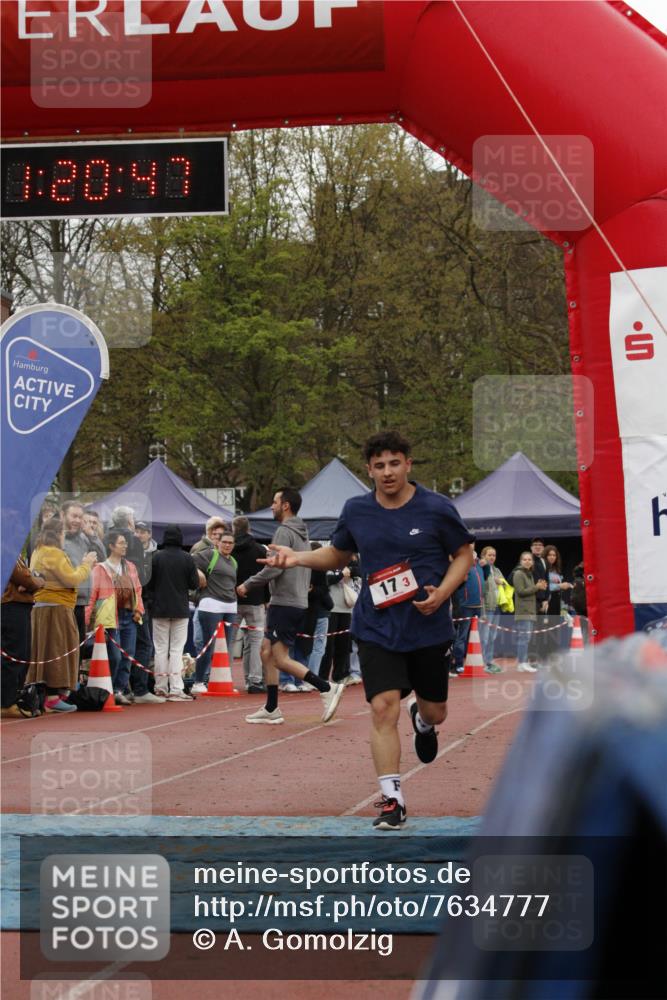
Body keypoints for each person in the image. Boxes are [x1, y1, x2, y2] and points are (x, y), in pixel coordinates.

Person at [260, 432, 474, 830]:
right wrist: (296, 558)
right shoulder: (357, 510)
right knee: (381, 707)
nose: (388, 472)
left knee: (436, 710)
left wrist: (444, 592)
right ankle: (392, 799)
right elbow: (337, 554)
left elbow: (464, 554)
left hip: (428, 627)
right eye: (379, 466)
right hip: (376, 625)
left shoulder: (437, 508)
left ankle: (423, 722)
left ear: (408, 464)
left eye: (395, 463)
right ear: (369, 470)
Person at [237, 487, 345, 726]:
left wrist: (248, 584)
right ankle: (272, 707)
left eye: (274, 502)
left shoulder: (284, 532)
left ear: (285, 505)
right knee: (266, 652)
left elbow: (275, 566)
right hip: (291, 601)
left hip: (285, 602)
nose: (272, 506)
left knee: (280, 657)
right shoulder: (302, 532)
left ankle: (326, 687)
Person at [28, 517, 97, 713]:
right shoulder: (54, 553)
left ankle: (49, 694)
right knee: (58, 650)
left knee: (44, 650)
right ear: (58, 534)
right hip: (56, 609)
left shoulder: (38, 551)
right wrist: (86, 564)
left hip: (42, 607)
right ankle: (53, 696)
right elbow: (71, 579)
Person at [85, 531, 144, 704]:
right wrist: (87, 620)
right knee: (115, 656)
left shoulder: (130, 567)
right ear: (111, 546)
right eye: (121, 543)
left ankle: (119, 689)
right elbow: (92, 595)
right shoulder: (100, 569)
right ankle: (108, 688)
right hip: (111, 618)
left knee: (128, 655)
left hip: (129, 615)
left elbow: (138, 590)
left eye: (125, 543)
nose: (125, 546)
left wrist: (139, 610)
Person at [146, 524, 200, 702]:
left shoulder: (156, 557)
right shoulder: (187, 558)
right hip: (180, 608)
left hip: (159, 608)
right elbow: (194, 584)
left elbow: (149, 583)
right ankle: (176, 688)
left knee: (160, 649)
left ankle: (160, 687)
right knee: (177, 649)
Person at [191, 529, 238, 693]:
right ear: (218, 542)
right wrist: (198, 572)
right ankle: (198, 682)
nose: (227, 545)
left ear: (234, 545)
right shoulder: (210, 555)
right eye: (224, 542)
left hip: (230, 605)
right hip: (211, 603)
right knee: (207, 645)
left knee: (225, 647)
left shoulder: (233, 561)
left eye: (230, 543)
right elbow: (189, 561)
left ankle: (218, 680)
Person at [232, 516, 268, 694]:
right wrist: (266, 598)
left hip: (233, 600)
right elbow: (267, 575)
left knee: (229, 641)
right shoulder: (260, 549)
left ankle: (224, 678)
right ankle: (254, 680)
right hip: (255, 600)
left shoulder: (229, 549)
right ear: (249, 528)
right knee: (255, 642)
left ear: (233, 529)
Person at [1, 557, 40, 717]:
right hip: (11, 606)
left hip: (17, 606)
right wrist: (34, 581)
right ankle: (6, 703)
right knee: (14, 656)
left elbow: (29, 578)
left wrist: (34, 580)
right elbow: (23, 577)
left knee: (20, 656)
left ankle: (11, 700)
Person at [131, 520, 156, 699]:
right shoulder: (131, 551)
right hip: (137, 603)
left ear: (149, 534)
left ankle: (146, 683)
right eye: (137, 531)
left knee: (148, 646)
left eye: (143, 531)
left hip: (152, 604)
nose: (139, 534)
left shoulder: (156, 554)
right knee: (140, 645)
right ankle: (138, 686)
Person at [511, 551, 547, 672]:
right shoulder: (518, 573)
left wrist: (539, 587)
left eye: (529, 560)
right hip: (523, 611)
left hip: (531, 611)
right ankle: (521, 663)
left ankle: (524, 662)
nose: (527, 561)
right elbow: (521, 591)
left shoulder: (529, 574)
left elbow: (530, 591)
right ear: (521, 561)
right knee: (523, 638)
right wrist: (536, 587)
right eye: (525, 559)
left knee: (526, 638)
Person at [451, 550, 484, 675]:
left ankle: (475, 662)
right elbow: (456, 586)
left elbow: (482, 585)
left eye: (475, 556)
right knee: (462, 636)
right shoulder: (462, 567)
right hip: (466, 606)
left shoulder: (479, 568)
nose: (473, 558)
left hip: (478, 606)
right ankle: (458, 664)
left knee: (475, 637)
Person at [478, 545, 507, 673]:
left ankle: (489, 662)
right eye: (489, 555)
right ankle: (482, 663)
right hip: (487, 607)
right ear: (483, 556)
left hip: (497, 607)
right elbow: (480, 590)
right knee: (483, 636)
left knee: (492, 637)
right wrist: (482, 610)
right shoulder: (480, 568)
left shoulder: (497, 570)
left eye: (494, 555)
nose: (492, 557)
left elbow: (506, 585)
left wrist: (500, 582)